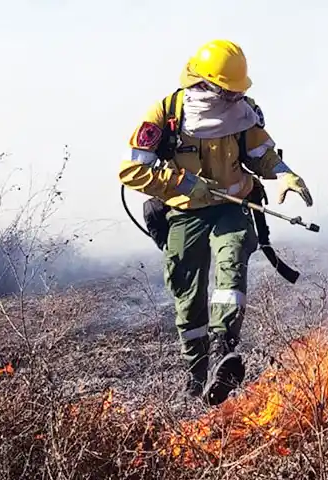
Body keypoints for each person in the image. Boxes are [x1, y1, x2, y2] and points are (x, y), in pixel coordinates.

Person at [118, 39, 313, 406]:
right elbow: (131, 170)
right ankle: (196, 374)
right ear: (206, 83)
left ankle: (225, 348)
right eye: (227, 91)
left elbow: (261, 154)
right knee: (186, 289)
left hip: (232, 205)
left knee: (232, 260)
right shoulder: (167, 113)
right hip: (184, 211)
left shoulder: (243, 113)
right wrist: (183, 183)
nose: (233, 98)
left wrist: (285, 173)